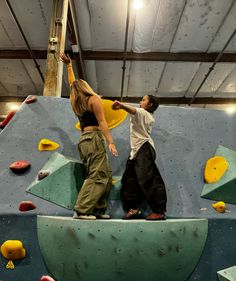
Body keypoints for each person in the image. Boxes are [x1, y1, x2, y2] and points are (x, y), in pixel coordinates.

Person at [60, 53, 118, 220]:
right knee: (98, 175)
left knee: (104, 174)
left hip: (84, 141)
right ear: (87, 86)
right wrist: (111, 142)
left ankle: (97, 209)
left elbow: (72, 84)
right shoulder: (93, 99)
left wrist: (69, 66)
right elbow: (102, 122)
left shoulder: (76, 101)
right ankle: (82, 210)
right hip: (94, 138)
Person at [112, 95, 167, 220]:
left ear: (150, 105)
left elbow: (133, 110)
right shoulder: (143, 115)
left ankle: (159, 211)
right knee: (128, 181)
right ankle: (134, 208)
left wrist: (121, 105)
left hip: (144, 148)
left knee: (147, 179)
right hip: (136, 151)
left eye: (143, 100)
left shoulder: (144, 113)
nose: (140, 102)